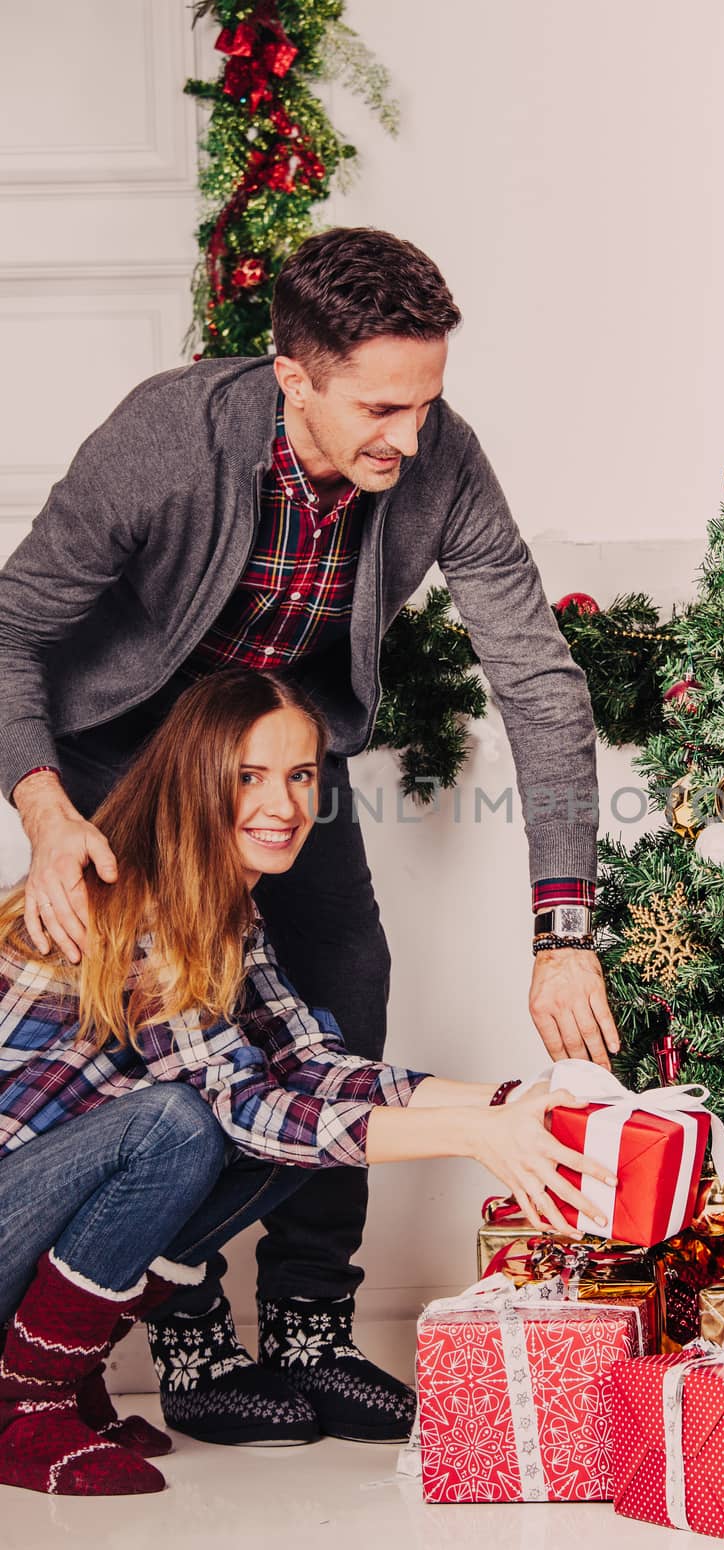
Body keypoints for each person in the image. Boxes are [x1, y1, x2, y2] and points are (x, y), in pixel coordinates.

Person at [0, 227, 620, 1446]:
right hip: (124, 751)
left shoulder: (439, 459)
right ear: (294, 375)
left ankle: (308, 1327)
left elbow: (539, 681)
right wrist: (42, 807)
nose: (410, 434)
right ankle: (182, 1333)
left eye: (427, 402)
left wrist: (562, 928)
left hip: (283, 746)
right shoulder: (168, 438)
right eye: (379, 406)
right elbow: (9, 627)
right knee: (186, 1047)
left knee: (339, 991)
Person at [0, 670, 616, 1497]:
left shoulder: (224, 908)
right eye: (248, 776)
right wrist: (473, 1138)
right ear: (193, 778)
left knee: (289, 1143)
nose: (283, 806)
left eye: (299, 776)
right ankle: (24, 1400)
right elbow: (244, 1108)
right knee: (180, 1124)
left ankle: (60, 1373)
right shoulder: (139, 897)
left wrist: (504, 1103)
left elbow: (310, 1069)